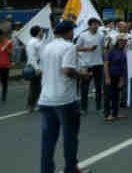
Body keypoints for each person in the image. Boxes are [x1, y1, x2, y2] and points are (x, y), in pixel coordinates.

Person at [39, 20, 91, 173]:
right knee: (70, 138)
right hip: (65, 100)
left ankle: (46, 170)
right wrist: (82, 75)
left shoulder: (46, 47)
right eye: (72, 31)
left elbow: (43, 70)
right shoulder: (69, 47)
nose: (73, 34)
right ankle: (71, 169)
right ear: (68, 32)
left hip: (46, 99)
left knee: (48, 140)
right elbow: (67, 70)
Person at [75, 18, 105, 114]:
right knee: (85, 87)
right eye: (94, 24)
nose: (96, 26)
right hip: (86, 64)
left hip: (98, 63)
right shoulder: (83, 36)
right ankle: (83, 108)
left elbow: (103, 48)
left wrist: (104, 58)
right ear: (89, 25)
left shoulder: (101, 35)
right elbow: (76, 48)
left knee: (99, 87)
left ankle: (99, 107)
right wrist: (88, 48)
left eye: (97, 24)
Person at [104, 34, 127, 122]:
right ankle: (107, 114)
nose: (123, 42)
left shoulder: (123, 52)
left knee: (116, 96)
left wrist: (121, 79)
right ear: (117, 41)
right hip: (110, 75)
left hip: (118, 76)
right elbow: (106, 64)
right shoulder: (111, 51)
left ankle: (115, 113)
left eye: (124, 41)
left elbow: (123, 67)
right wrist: (107, 77)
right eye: (121, 40)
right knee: (108, 95)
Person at [26, 25, 44, 112]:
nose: (42, 32)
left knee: (40, 86)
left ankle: (40, 104)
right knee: (34, 87)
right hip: (35, 68)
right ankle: (30, 106)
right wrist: (37, 68)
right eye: (41, 30)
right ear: (38, 32)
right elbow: (32, 57)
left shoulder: (39, 41)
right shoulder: (32, 42)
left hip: (42, 67)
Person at [0, 20, 14, 104]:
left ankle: (4, 95)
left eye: (1, 36)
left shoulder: (7, 43)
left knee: (4, 81)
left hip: (5, 65)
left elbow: (11, 53)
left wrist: (6, 48)